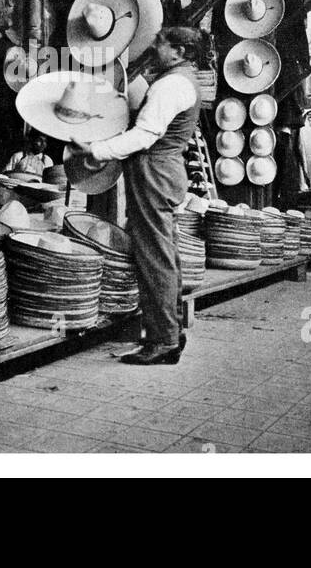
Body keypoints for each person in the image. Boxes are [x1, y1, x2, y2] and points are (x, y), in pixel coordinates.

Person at [71, 26, 204, 366]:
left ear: (179, 52)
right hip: (165, 170)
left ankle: (162, 341)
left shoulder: (171, 84)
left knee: (153, 256)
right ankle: (171, 330)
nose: (153, 46)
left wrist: (99, 151)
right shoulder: (184, 78)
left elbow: (144, 135)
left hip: (154, 172)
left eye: (160, 43)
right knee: (165, 251)